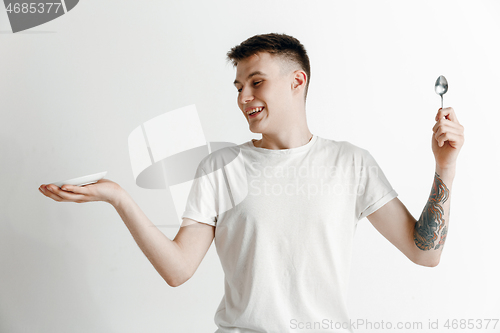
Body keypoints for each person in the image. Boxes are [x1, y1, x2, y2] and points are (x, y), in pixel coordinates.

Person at [39, 33, 465, 333]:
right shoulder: (221, 166)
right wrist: (118, 198)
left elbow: (424, 254)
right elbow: (178, 270)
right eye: (239, 86)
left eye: (256, 82)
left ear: (298, 81)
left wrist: (444, 166)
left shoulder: (349, 163)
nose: (243, 97)